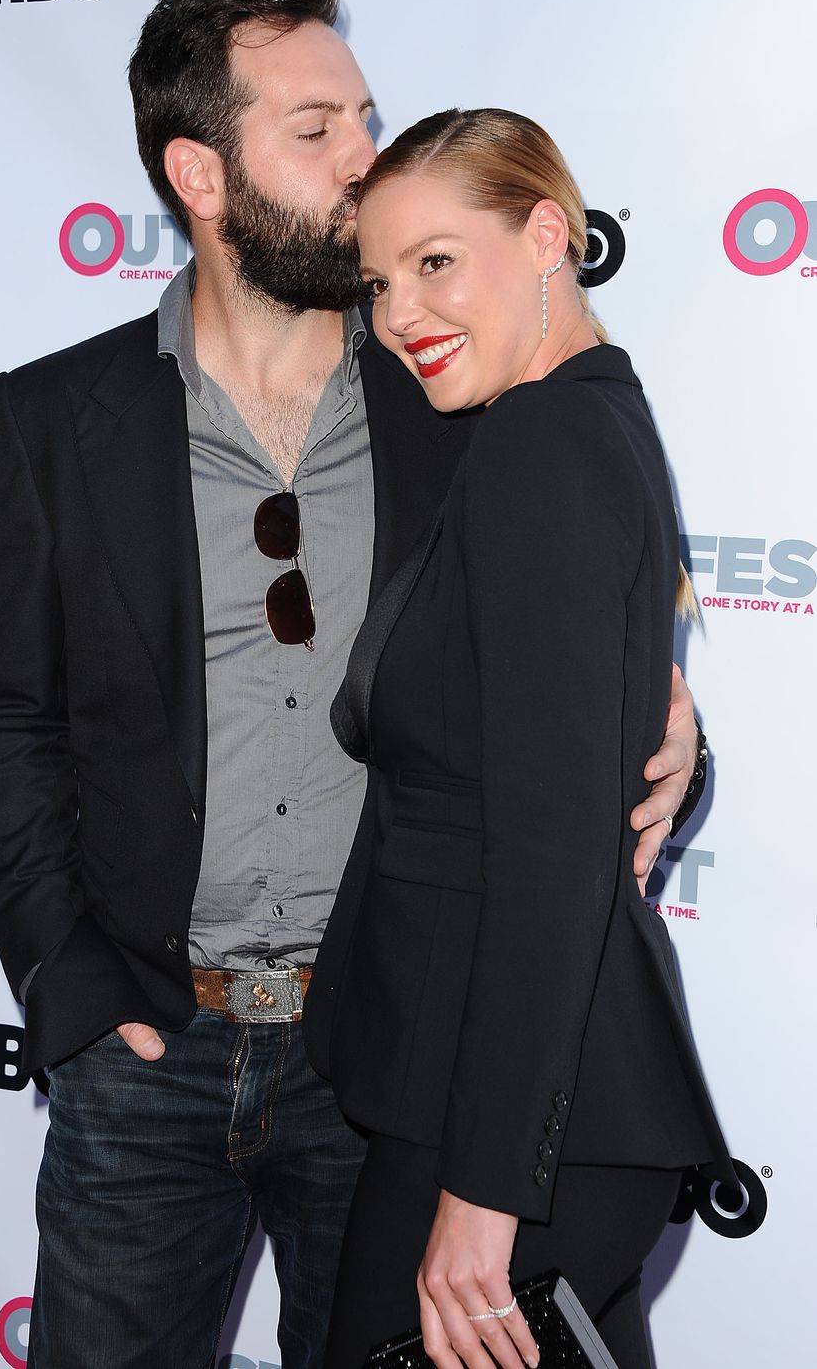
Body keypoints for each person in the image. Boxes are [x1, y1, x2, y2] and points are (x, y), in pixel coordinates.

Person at [0, 0, 707, 1369]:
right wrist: (65, 976)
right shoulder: (59, 414)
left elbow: (552, 644)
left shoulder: (459, 389)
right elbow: (11, 711)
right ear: (201, 169)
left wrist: (667, 729)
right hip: (149, 1049)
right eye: (317, 128)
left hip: (385, 1052)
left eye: (364, 115)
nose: (365, 155)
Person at [303, 108, 732, 1369]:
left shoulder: (540, 443)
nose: (397, 311)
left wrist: (483, 1197)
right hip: (525, 1104)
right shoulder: (578, 417)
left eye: (435, 261)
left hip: (508, 1132)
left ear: (547, 232)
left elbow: (550, 853)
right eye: (378, 280)